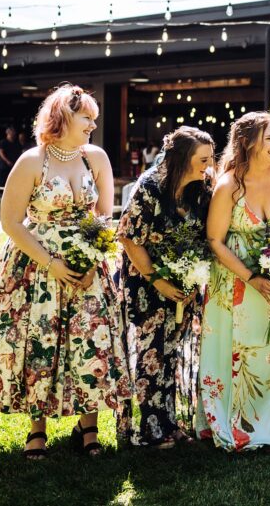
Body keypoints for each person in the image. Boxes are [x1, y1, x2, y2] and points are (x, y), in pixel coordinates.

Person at [0, 84, 131, 459]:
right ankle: (36, 428)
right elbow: (11, 222)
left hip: (88, 267)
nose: (92, 124)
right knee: (39, 340)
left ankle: (89, 426)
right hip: (36, 268)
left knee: (90, 342)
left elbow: (104, 217)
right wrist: (51, 262)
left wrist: (90, 261)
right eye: (86, 117)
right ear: (62, 117)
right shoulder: (32, 161)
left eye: (94, 118)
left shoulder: (96, 159)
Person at [197, 112, 270, 451]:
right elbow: (214, 241)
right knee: (238, 350)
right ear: (248, 143)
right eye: (269, 138)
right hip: (235, 281)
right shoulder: (229, 185)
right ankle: (235, 422)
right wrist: (252, 277)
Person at [116, 127, 215, 448]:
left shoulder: (201, 190)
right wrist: (158, 279)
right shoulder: (150, 187)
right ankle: (150, 427)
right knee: (152, 354)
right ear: (182, 159)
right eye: (203, 159)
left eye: (210, 159)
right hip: (146, 281)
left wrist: (190, 276)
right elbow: (129, 237)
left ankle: (171, 423)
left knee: (173, 353)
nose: (208, 165)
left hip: (183, 285)